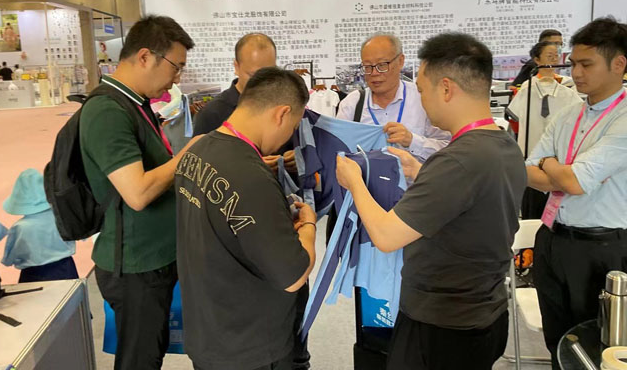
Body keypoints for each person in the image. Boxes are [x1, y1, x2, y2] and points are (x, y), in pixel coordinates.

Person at [336, 32, 526, 370]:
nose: (421, 100)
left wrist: (355, 182)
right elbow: (469, 203)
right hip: (484, 310)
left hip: (442, 326)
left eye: (423, 91)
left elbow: (386, 236)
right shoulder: (502, 144)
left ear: (447, 89)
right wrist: (421, 171)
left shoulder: (455, 161)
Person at [80, 15, 201, 370]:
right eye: (176, 66)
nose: (177, 78)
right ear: (146, 56)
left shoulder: (137, 104)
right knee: (139, 360)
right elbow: (137, 193)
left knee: (151, 351)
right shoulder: (107, 110)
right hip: (135, 267)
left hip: (152, 260)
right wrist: (188, 155)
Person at [176, 67, 316, 370]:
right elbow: (293, 276)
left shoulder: (197, 150)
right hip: (251, 346)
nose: (288, 137)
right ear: (282, 114)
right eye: (292, 126)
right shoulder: (250, 174)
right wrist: (308, 225)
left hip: (210, 331)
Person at [526, 17, 627, 368]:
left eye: (587, 64)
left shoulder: (623, 119)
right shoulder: (567, 114)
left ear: (619, 64)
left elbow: (575, 183)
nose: (577, 72)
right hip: (552, 240)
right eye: (574, 64)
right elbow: (526, 171)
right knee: (558, 341)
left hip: (602, 248)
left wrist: (552, 166)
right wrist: (562, 171)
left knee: (599, 345)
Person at [336, 33, 450, 161]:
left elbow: (449, 148)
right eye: (367, 67)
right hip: (364, 175)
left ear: (400, 61)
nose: (374, 73)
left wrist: (412, 141)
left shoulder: (423, 99)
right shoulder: (352, 104)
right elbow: (338, 152)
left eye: (382, 65)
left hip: (417, 174)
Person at [507, 41, 582, 220]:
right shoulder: (525, 90)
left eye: (556, 56)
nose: (554, 59)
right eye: (549, 56)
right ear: (537, 60)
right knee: (531, 210)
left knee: (557, 210)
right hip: (530, 160)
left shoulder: (569, 93)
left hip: (559, 162)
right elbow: (514, 121)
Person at [1, 169, 78, 282]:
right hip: (65, 267)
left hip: (33, 273)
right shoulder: (61, 218)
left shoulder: (19, 228)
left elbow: (9, 258)